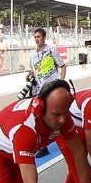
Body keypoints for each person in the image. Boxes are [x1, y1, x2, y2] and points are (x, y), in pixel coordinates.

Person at [29, 28, 66, 157]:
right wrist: (29, 76)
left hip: (53, 89)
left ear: (44, 37)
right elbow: (33, 72)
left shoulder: (51, 50)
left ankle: (67, 138)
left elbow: (62, 65)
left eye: (38, 36)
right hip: (41, 91)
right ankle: (43, 146)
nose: (36, 39)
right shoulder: (33, 56)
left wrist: (61, 82)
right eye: (35, 37)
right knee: (41, 118)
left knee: (57, 115)